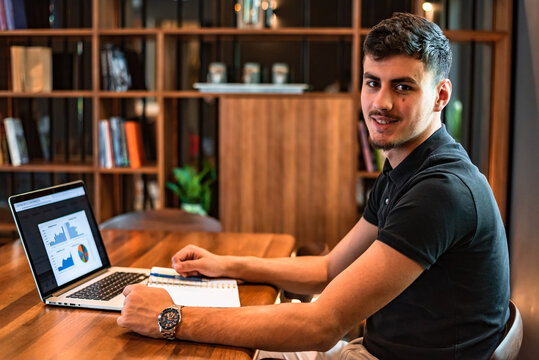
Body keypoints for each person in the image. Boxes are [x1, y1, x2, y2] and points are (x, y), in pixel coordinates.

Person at [117, 13, 510, 360]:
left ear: (441, 95)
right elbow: (328, 269)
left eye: (403, 87)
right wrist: (226, 265)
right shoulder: (405, 168)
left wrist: (169, 318)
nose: (381, 102)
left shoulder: (439, 190)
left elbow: (321, 328)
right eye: (372, 83)